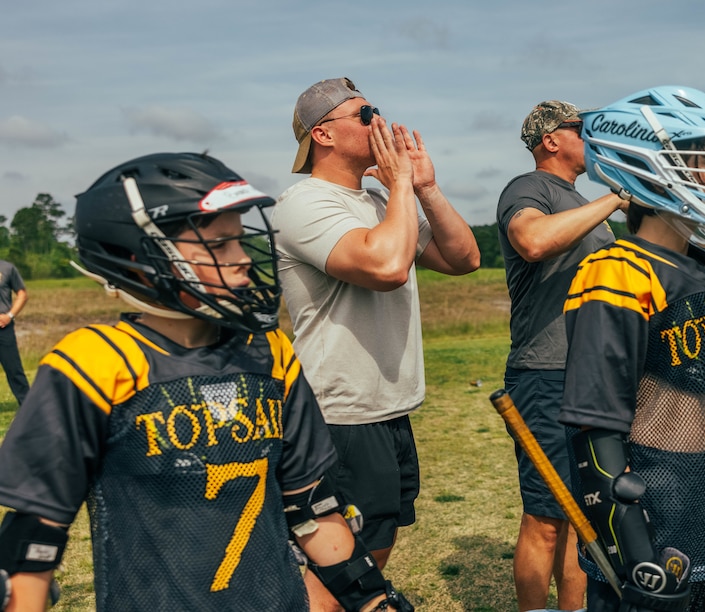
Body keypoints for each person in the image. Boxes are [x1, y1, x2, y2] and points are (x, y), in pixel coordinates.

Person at [0, 153, 410, 611]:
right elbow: (34, 537)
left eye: (239, 241)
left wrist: (375, 600)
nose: (242, 261)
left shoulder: (269, 352)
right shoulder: (94, 363)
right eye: (218, 245)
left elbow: (312, 508)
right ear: (140, 259)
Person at [559, 86, 705, 612]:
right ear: (650, 168)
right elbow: (596, 430)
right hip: (650, 529)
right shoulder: (617, 272)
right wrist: (633, 552)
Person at [273, 78, 479, 583]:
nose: (381, 124)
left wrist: (424, 186)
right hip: (339, 413)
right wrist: (402, 185)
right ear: (323, 134)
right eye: (367, 115)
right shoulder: (304, 203)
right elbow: (386, 268)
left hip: (387, 407)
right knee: (337, 559)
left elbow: (464, 258)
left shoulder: (381, 204)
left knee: (378, 541)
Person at [496, 99, 626, 612]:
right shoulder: (529, 189)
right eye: (582, 130)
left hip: (592, 376)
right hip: (545, 374)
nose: (592, 139)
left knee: (584, 512)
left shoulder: (582, 201)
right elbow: (530, 240)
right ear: (551, 139)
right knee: (547, 516)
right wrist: (614, 200)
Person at [0, 259, 29, 405]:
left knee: (14, 370)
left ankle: (28, 406)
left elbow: (22, 294)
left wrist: (9, 316)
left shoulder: (7, 268)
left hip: (3, 328)